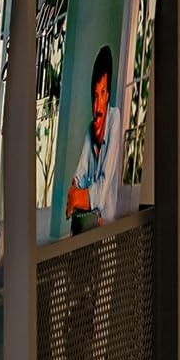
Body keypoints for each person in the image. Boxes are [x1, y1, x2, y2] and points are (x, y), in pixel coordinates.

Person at [65, 44, 126, 226]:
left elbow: (100, 193)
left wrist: (77, 198)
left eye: (102, 93)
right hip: (89, 225)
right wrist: (75, 190)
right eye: (94, 95)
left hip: (107, 229)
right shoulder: (90, 130)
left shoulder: (115, 119)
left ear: (108, 95)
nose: (98, 105)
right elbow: (80, 174)